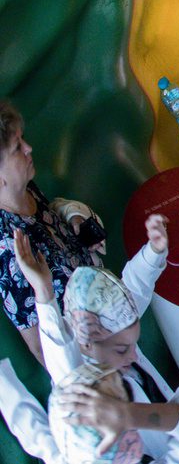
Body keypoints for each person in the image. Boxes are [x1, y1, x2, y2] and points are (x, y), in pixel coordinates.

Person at [13, 219, 179, 463]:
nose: (134, 356)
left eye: (134, 344)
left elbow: (134, 287)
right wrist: (43, 294)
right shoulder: (82, 382)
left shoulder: (111, 337)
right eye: (123, 349)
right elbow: (59, 354)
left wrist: (153, 252)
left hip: (174, 436)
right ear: (87, 344)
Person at [0, 101, 97, 365]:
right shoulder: (9, 252)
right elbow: (41, 348)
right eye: (17, 147)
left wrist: (72, 216)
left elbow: (49, 217)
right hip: (91, 355)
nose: (28, 148)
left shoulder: (25, 188)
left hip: (103, 305)